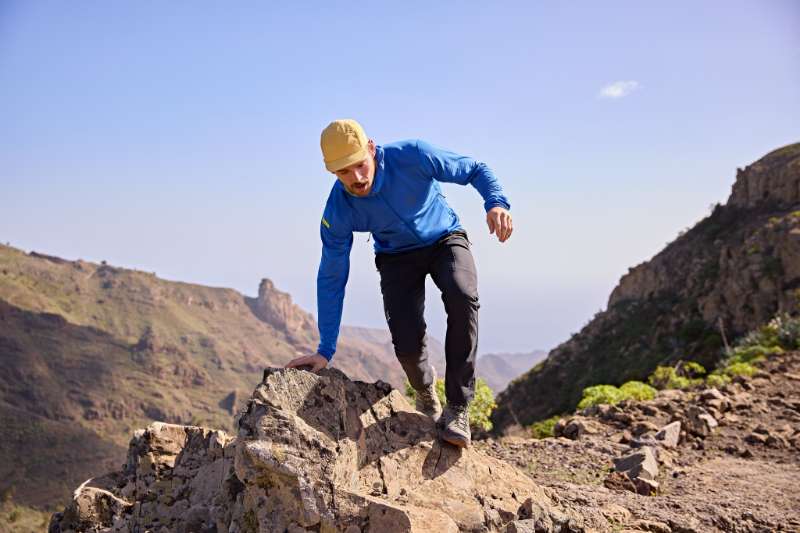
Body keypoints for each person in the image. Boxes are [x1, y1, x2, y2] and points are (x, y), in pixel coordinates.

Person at [285, 119, 512, 447]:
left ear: (372, 150)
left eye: (361, 165)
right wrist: (325, 349)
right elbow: (332, 276)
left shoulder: (414, 156)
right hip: (395, 257)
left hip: (444, 239)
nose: (357, 179)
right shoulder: (338, 210)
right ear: (331, 171)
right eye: (344, 173)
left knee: (462, 297)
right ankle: (424, 390)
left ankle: (458, 408)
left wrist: (496, 202)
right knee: (406, 342)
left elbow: (474, 169)